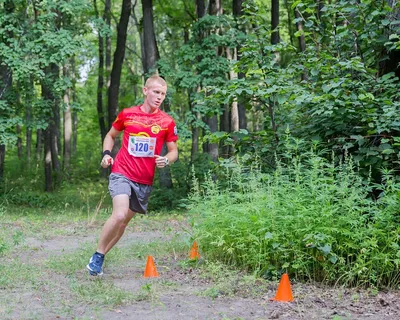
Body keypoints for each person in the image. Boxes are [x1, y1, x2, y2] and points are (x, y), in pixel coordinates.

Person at [87, 75, 178, 276]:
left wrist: (166, 159)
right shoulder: (128, 114)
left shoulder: (166, 122)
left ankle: (100, 259)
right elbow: (110, 136)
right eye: (156, 92)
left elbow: (173, 151)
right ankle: (98, 255)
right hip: (122, 171)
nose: (159, 97)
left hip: (144, 180)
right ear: (145, 91)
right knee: (119, 214)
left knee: (124, 222)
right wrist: (106, 155)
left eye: (163, 94)